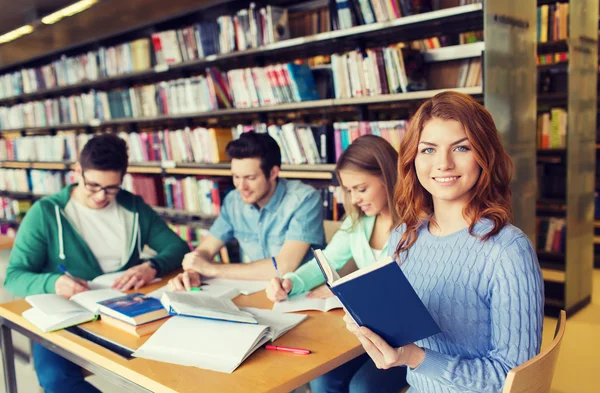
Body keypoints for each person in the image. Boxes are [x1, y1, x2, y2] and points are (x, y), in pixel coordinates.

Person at [343, 91, 544, 392]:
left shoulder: (508, 250)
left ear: (484, 156)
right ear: (413, 158)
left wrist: (414, 356)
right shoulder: (404, 237)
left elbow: (512, 379)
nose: (443, 163)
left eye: (461, 147)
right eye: (428, 150)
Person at [4, 133, 189, 393]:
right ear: (77, 171)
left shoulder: (133, 207)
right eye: (93, 186)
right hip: (68, 318)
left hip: (129, 313)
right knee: (56, 380)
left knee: (181, 365)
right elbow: (14, 276)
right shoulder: (46, 213)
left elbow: (178, 248)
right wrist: (53, 282)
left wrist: (153, 266)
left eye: (111, 188)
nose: (102, 196)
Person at [266, 135, 408, 393]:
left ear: (388, 177)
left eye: (361, 188)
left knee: (362, 387)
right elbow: (326, 261)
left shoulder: (417, 225)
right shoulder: (357, 223)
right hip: (367, 334)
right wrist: (290, 282)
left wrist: (350, 293)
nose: (354, 199)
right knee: (322, 380)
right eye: (349, 190)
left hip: (408, 340)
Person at [168, 131, 324, 290]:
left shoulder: (305, 199)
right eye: (236, 177)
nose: (241, 187)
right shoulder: (233, 200)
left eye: (250, 178)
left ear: (273, 173)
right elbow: (206, 249)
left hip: (304, 292)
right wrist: (193, 270)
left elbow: (284, 267)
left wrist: (212, 269)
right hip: (258, 290)